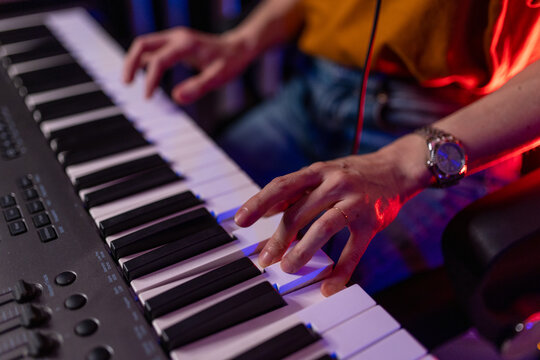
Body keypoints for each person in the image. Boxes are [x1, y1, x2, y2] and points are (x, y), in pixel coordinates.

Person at [123, 0, 540, 297]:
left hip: (449, 138)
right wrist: (244, 39)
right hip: (311, 95)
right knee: (174, 221)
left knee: (276, 294)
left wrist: (396, 165)